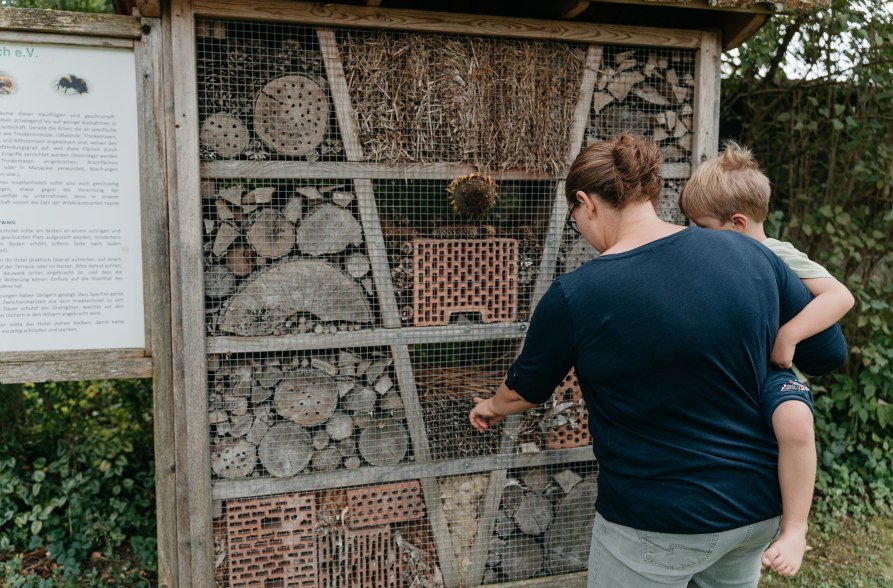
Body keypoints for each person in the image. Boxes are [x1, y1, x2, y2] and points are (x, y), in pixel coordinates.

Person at [468, 133, 847, 588]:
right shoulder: (752, 253)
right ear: (650, 194)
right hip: (754, 514)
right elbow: (828, 354)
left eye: (575, 218)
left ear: (586, 204)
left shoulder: (576, 295)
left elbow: (524, 392)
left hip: (655, 524)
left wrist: (491, 406)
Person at [679, 142, 855, 577]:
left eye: (701, 226)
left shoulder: (780, 253)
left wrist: (789, 335)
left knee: (796, 421)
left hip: (774, 371)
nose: (695, 235)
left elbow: (840, 296)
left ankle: (795, 528)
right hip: (729, 369)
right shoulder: (707, 260)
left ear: (736, 224)